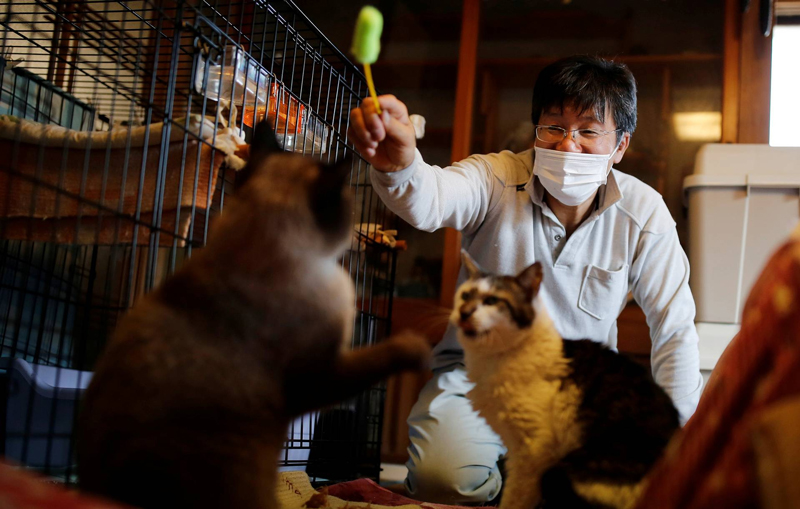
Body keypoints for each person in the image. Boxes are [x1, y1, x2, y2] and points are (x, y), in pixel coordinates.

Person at [348, 55, 703, 505]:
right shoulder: (495, 177)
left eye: (588, 131)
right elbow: (432, 197)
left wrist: (675, 440)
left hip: (579, 389)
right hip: (479, 375)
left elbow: (674, 329)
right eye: (553, 127)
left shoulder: (644, 213)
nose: (567, 145)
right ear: (536, 129)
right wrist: (400, 166)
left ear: (620, 145)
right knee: (444, 481)